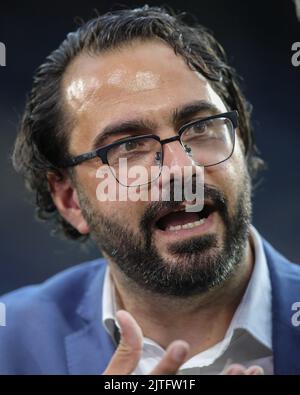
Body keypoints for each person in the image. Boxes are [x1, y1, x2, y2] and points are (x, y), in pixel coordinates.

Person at [0, 6, 299, 375]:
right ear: (70, 199)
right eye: (128, 147)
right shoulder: (8, 343)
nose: (181, 168)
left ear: (241, 140)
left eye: (201, 127)